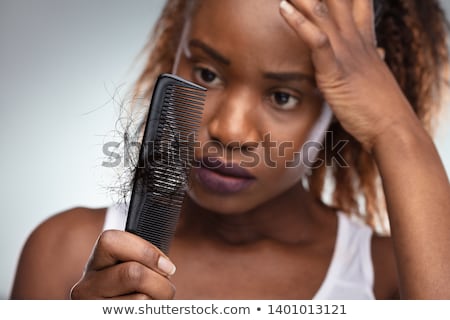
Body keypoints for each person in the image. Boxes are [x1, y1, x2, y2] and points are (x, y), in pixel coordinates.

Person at [10, 0, 450, 300]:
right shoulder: (63, 252)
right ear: (173, 53)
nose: (228, 129)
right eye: (206, 72)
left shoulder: (390, 276)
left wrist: (394, 129)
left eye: (283, 96)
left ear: (345, 106)